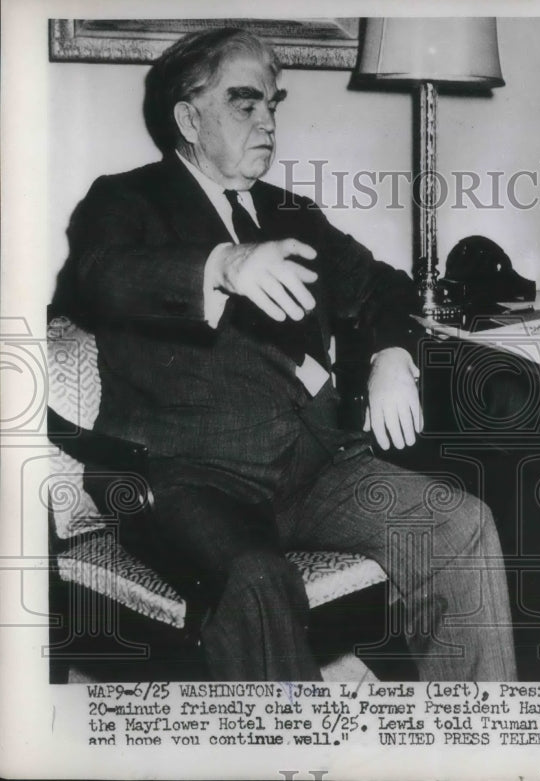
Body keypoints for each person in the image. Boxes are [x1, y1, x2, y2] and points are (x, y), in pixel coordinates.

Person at [53, 28, 516, 681]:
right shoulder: (125, 200)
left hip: (310, 467)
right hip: (184, 476)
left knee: (458, 524)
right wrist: (222, 264)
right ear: (189, 118)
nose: (268, 121)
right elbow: (102, 275)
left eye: (274, 104)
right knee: (256, 580)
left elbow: (384, 284)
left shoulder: (290, 212)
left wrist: (392, 357)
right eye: (246, 104)